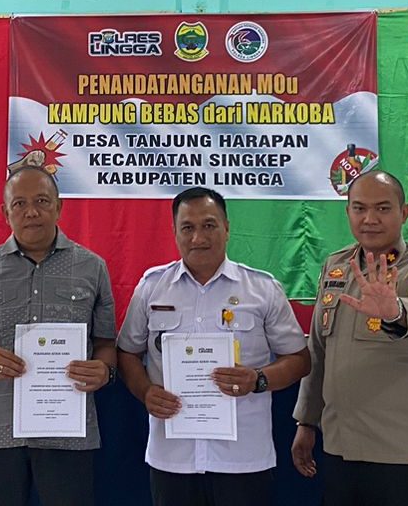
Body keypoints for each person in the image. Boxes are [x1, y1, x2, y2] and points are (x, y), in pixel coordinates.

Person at [116, 187, 311, 506]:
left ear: (227, 228)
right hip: (173, 458)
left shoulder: (262, 289)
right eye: (187, 228)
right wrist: (145, 391)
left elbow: (299, 359)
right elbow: (127, 352)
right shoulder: (152, 287)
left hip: (242, 458)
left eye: (209, 225)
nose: (198, 238)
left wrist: (258, 379)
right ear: (175, 232)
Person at [0, 165, 118, 506]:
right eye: (19, 203)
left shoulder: (92, 267)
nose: (31, 211)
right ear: (5, 212)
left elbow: (106, 344)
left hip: (68, 432)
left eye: (41, 201)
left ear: (59, 207)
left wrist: (104, 370)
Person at [292, 169, 408, 506]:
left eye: (383, 208)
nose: (370, 219)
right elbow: (319, 351)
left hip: (402, 454)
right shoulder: (336, 266)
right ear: (348, 211)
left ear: (404, 212)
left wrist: (396, 311)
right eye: (359, 208)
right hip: (340, 448)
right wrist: (306, 421)